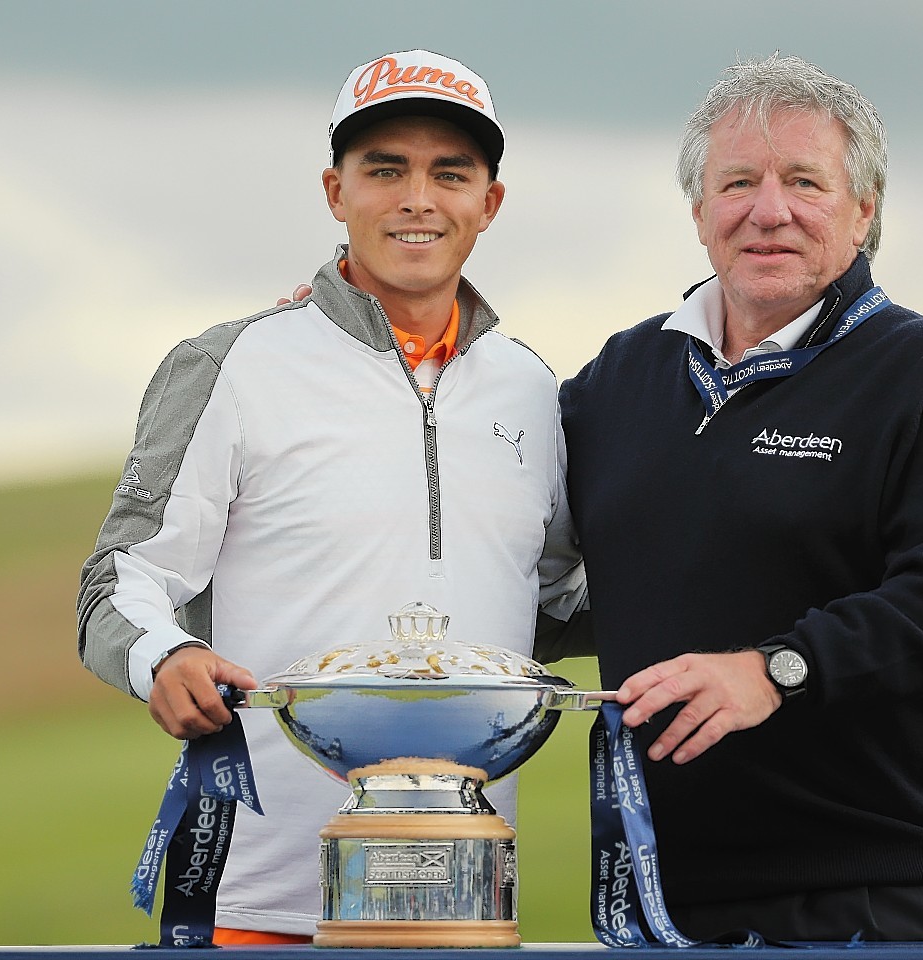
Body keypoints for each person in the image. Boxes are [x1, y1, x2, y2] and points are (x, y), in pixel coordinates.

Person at [77, 49, 583, 945]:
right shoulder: (233, 363)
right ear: (335, 191)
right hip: (257, 905)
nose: (416, 198)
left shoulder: (534, 390)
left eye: (449, 173)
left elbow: (545, 608)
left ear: (489, 203)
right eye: (384, 170)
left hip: (465, 905)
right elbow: (119, 580)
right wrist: (162, 657)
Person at [553, 54, 923, 942]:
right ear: (699, 213)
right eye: (738, 182)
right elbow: (487, 504)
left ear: (863, 210)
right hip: (658, 898)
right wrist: (353, 346)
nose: (768, 210)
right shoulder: (618, 379)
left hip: (880, 892)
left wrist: (774, 669)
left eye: (804, 181)